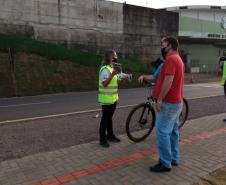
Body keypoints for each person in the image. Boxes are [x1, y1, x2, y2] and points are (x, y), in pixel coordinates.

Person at [150, 37, 184, 172]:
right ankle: (174, 158)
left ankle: (165, 163)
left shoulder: (170, 59)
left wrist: (159, 99)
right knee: (173, 132)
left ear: (169, 45)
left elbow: (168, 81)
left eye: (163, 44)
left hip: (168, 103)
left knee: (163, 132)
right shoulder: (178, 58)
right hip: (176, 102)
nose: (162, 46)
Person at [98, 50, 121, 148]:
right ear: (110, 57)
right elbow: (105, 83)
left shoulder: (112, 67)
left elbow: (115, 80)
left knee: (109, 118)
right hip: (106, 99)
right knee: (105, 119)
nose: (116, 57)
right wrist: (112, 75)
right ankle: (102, 139)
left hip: (113, 98)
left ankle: (110, 135)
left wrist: (122, 77)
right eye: (115, 56)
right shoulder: (105, 69)